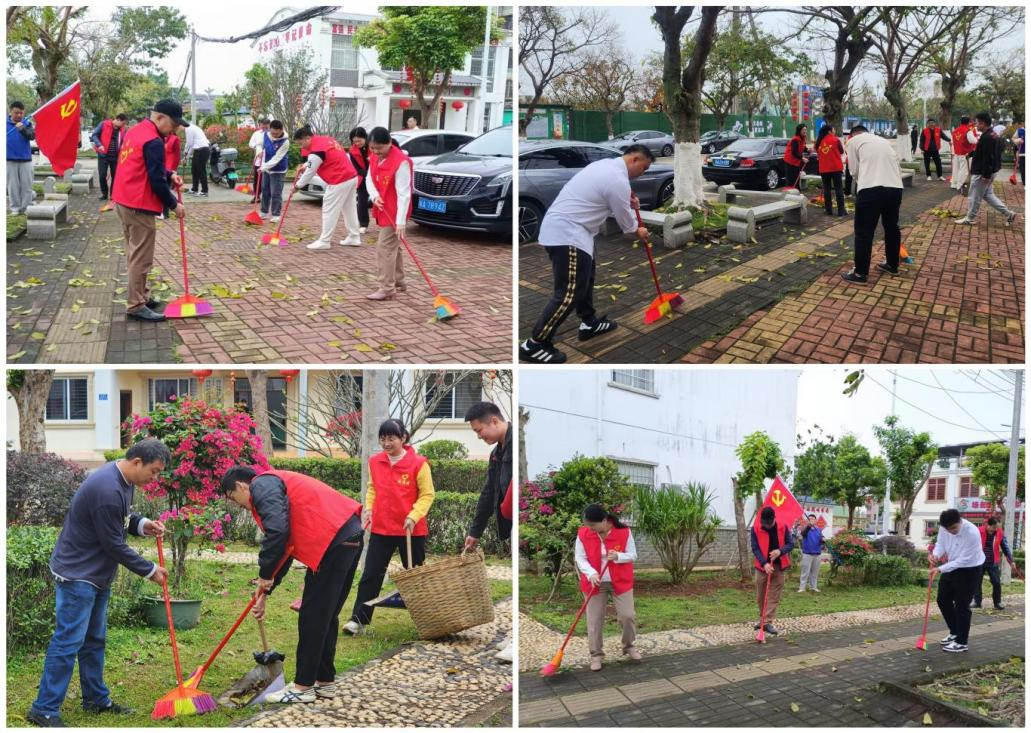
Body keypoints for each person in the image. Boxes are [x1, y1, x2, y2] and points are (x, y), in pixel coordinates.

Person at [27, 439, 170, 728]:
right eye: (153, 471)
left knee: (93, 641)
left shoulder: (123, 481)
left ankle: (95, 699)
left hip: (96, 574)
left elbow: (122, 520)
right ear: (137, 461)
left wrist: (143, 525)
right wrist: (150, 569)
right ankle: (43, 708)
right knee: (68, 641)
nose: (154, 478)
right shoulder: (107, 488)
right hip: (78, 574)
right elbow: (114, 544)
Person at [220, 465, 364, 704]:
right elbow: (285, 549)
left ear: (241, 486)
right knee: (325, 616)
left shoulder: (262, 484)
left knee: (312, 616)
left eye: (234, 498)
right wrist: (266, 588)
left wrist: (265, 574)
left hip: (332, 541)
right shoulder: (273, 486)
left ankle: (302, 686)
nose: (239, 505)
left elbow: (277, 532)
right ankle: (324, 681)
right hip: (347, 537)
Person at [519, 145, 653, 364]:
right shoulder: (617, 179)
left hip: (576, 233)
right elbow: (628, 225)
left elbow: (607, 195)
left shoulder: (605, 166)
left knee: (585, 280)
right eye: (644, 168)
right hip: (567, 234)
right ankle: (534, 344)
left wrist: (628, 201)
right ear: (635, 159)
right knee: (568, 293)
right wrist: (639, 230)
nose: (643, 173)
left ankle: (589, 323)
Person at [344, 419, 434, 635]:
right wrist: (369, 509)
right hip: (382, 529)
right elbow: (372, 488)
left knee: (416, 577)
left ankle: (428, 620)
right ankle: (358, 620)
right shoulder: (375, 462)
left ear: (403, 438)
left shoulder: (419, 463)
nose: (386, 443)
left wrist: (413, 516)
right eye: (382, 438)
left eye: (391, 438)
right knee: (371, 575)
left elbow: (427, 494)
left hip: (411, 531)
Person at [111, 99, 188, 323]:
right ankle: (135, 305)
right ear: (160, 117)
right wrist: (175, 205)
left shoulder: (137, 131)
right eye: (173, 125)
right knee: (141, 258)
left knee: (134, 253)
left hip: (123, 200)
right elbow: (155, 180)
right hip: (138, 204)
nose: (174, 131)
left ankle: (141, 295)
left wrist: (169, 173)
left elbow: (146, 165)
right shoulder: (154, 141)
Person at [463, 401, 513, 662]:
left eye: (479, 430)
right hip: (508, 521)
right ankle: (516, 633)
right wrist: (475, 531)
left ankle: (518, 639)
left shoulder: (517, 444)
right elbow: (488, 493)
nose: (479, 436)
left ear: (494, 421)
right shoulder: (497, 453)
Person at [575, 504, 640, 671]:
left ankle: (628, 646)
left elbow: (633, 555)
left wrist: (618, 556)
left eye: (593, 525)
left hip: (620, 580)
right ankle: (596, 654)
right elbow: (580, 558)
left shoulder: (624, 532)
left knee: (628, 616)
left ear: (604, 520)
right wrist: (590, 573)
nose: (590, 528)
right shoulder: (583, 534)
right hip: (595, 582)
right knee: (594, 619)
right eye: (587, 525)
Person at [841, 125, 904, 283]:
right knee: (891, 227)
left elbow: (854, 170)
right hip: (895, 188)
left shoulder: (853, 141)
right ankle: (892, 264)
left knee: (864, 232)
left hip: (871, 189)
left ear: (853, 134)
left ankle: (860, 273)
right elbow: (896, 166)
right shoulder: (883, 141)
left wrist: (862, 184)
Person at [293, 126, 362, 250]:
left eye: (301, 143)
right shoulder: (326, 140)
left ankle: (325, 240)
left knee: (329, 209)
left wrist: (297, 186)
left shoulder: (316, 150)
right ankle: (354, 236)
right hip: (351, 176)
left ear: (308, 138)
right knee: (349, 208)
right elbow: (317, 161)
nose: (301, 147)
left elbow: (310, 171)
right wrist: (305, 165)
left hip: (339, 179)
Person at [365, 127, 413, 300]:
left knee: (384, 247)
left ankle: (386, 288)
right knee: (394, 247)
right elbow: (369, 178)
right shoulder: (374, 158)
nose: (376, 152)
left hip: (396, 211)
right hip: (383, 206)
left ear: (389, 143)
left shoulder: (401, 162)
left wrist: (400, 222)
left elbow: (404, 193)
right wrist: (375, 196)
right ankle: (399, 281)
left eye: (380, 148)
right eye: (373, 148)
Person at [932, 508, 985, 653]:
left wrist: (940, 568)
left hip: (970, 569)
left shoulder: (972, 533)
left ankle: (962, 642)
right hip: (951, 566)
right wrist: (935, 555)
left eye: (954, 528)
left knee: (962, 605)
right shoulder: (944, 529)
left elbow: (964, 560)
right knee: (942, 600)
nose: (951, 531)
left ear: (960, 521)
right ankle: (954, 632)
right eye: (948, 529)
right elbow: (940, 544)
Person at [955, 112, 1017, 226]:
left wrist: (986, 175)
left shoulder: (988, 137)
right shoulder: (993, 134)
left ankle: (970, 218)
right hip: (990, 170)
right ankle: (1009, 214)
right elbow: (987, 151)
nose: (975, 125)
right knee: (988, 195)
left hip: (982, 172)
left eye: (977, 123)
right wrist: (972, 153)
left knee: (974, 195)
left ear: (983, 123)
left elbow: (988, 157)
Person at [750, 506, 795, 636]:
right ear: (761, 520)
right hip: (762, 567)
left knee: (774, 594)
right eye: (765, 524)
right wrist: (764, 564)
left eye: (770, 524)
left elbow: (790, 544)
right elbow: (755, 548)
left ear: (774, 519)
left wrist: (780, 551)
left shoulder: (783, 526)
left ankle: (767, 621)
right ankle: (762, 619)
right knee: (761, 595)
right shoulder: (755, 528)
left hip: (779, 566)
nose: (767, 527)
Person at [972, 517, 1016, 610]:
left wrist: (1011, 561)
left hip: (993, 562)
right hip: (979, 562)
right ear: (988, 525)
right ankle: (977, 602)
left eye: (997, 527)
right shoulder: (978, 531)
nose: (996, 529)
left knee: (996, 583)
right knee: (977, 582)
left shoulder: (999, 533)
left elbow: (1005, 547)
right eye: (994, 527)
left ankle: (997, 602)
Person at [7, 101, 36, 216]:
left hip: (25, 159)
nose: (19, 115)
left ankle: (26, 207)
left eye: (21, 113)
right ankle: (15, 207)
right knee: (12, 185)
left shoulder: (26, 123)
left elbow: (32, 136)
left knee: (27, 185)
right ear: (11, 112)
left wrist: (22, 129)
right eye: (16, 113)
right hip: (9, 159)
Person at [90, 113, 128, 203]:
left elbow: (124, 141)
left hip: (115, 157)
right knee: (102, 175)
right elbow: (94, 135)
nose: (123, 125)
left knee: (115, 176)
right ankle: (104, 194)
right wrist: (99, 145)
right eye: (123, 123)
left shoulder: (122, 130)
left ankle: (113, 195)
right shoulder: (104, 124)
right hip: (103, 155)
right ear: (118, 120)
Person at [258, 120, 290, 222]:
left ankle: (276, 214)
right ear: (270, 129)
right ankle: (263, 212)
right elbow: (259, 144)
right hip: (266, 168)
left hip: (278, 169)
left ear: (281, 130)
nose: (275, 135)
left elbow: (277, 158)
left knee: (276, 192)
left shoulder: (285, 141)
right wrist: (259, 152)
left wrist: (264, 167)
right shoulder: (265, 135)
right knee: (265, 189)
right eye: (273, 133)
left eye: (277, 133)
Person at [815, 124, 846, 216]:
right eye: (833, 129)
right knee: (838, 189)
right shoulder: (835, 140)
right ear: (829, 131)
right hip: (836, 168)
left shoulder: (818, 142)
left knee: (827, 189)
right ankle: (841, 211)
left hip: (824, 169)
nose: (834, 131)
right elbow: (841, 151)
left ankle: (829, 210)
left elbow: (818, 152)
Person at [348, 126, 371, 234]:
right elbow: (355, 168)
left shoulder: (373, 146)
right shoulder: (352, 151)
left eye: (359, 140)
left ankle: (385, 223)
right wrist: (367, 175)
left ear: (365, 138)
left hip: (378, 176)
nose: (357, 143)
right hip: (363, 177)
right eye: (355, 141)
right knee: (362, 201)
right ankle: (363, 224)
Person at [797, 514, 824, 592]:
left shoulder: (818, 529)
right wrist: (809, 526)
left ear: (815, 521)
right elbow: (803, 534)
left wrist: (823, 540)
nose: (811, 520)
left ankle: (813, 587)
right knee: (805, 571)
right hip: (807, 554)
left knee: (815, 572)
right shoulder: (805, 529)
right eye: (809, 519)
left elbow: (821, 539)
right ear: (807, 521)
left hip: (817, 553)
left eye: (813, 519)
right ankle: (802, 588)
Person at [160, 126, 182, 220]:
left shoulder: (175, 139)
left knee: (166, 189)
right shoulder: (164, 139)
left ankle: (166, 213)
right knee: (165, 189)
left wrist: (174, 169)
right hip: (165, 166)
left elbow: (177, 155)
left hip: (171, 166)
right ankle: (175, 206)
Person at [183, 121, 210, 196]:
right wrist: (186, 157)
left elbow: (189, 143)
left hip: (202, 150)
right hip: (198, 150)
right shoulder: (192, 127)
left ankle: (205, 191)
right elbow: (192, 146)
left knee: (201, 170)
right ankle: (194, 189)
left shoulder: (189, 129)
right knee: (194, 170)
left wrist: (185, 153)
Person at [248, 119, 270, 204]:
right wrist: (258, 147)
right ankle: (256, 196)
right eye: (262, 124)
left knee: (267, 180)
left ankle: (267, 196)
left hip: (269, 161)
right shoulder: (256, 134)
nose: (264, 126)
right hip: (258, 159)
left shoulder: (272, 134)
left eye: (266, 124)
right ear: (260, 125)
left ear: (269, 124)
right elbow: (251, 144)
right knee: (257, 179)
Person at [950, 116, 975, 193]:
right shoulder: (968, 131)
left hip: (956, 153)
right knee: (964, 170)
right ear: (968, 123)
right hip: (965, 154)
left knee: (956, 169)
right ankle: (959, 185)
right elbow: (973, 141)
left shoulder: (955, 131)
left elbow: (952, 142)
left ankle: (954, 184)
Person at [783, 123, 808, 189]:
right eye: (803, 130)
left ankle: (797, 192)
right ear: (799, 131)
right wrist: (802, 158)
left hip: (796, 162)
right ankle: (790, 194)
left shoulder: (803, 139)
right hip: (790, 162)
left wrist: (808, 150)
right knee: (791, 180)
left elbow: (803, 148)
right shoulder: (795, 139)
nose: (805, 131)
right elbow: (794, 152)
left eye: (806, 129)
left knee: (797, 178)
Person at [1011, 117, 1025, 185]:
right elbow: (1013, 139)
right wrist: (1019, 140)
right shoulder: (1020, 130)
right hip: (1023, 154)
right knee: (1024, 171)